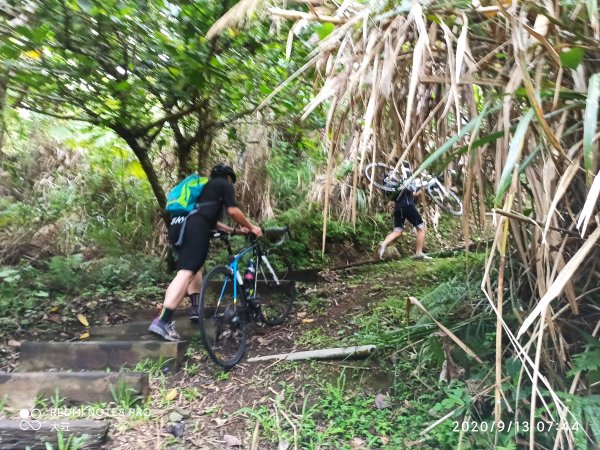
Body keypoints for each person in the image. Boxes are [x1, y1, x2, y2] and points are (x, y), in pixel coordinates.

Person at [149, 163, 263, 341]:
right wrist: (251, 227)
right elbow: (233, 211)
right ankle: (162, 321)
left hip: (179, 226)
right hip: (195, 229)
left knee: (193, 269)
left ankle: (191, 310)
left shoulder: (205, 190)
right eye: (231, 181)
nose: (230, 185)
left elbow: (212, 222)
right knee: (186, 272)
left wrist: (236, 231)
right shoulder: (222, 184)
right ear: (228, 178)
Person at [378, 170, 432, 261]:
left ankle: (383, 244)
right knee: (421, 228)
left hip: (398, 208)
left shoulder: (393, 188)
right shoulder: (405, 181)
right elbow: (414, 187)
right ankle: (419, 253)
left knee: (397, 231)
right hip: (408, 207)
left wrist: (422, 190)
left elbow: (413, 193)